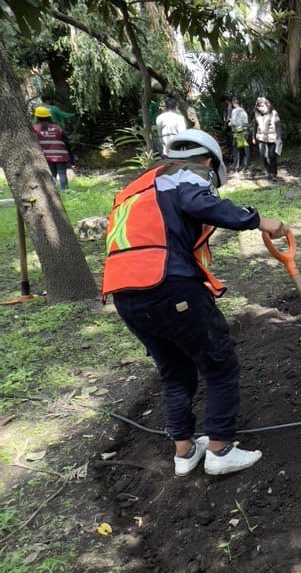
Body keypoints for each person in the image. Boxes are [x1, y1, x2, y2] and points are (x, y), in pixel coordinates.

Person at [102, 129, 286, 477]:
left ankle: (184, 453)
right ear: (207, 161)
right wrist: (262, 220)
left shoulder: (135, 188)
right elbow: (203, 205)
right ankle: (220, 449)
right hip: (167, 285)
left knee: (175, 369)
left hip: (124, 293)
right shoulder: (183, 175)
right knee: (220, 363)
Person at [32, 105, 74, 190]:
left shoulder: (35, 128)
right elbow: (65, 140)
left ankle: (52, 191)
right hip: (61, 155)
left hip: (47, 156)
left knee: (52, 174)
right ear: (49, 116)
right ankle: (65, 190)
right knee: (62, 173)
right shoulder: (57, 127)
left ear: (37, 117)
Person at [253, 96, 282, 180]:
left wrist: (279, 137)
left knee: (272, 156)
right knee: (263, 156)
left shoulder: (273, 113)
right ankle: (269, 171)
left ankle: (273, 173)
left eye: (261, 104)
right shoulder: (257, 113)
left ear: (266, 104)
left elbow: (278, 125)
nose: (260, 106)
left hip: (272, 137)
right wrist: (253, 137)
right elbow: (255, 125)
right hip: (261, 137)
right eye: (258, 104)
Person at [229, 98, 250, 172]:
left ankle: (236, 167)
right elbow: (246, 123)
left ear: (233, 103)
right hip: (245, 132)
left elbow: (234, 123)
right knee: (246, 150)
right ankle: (246, 166)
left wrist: (230, 123)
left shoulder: (234, 111)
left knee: (236, 150)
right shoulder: (243, 111)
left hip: (237, 133)